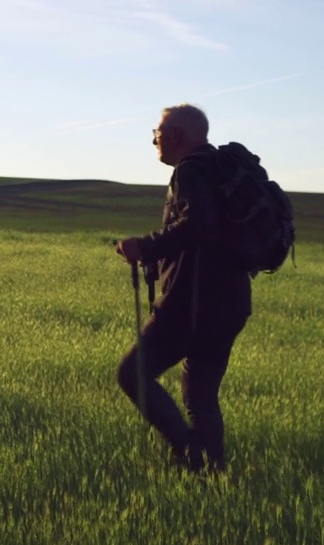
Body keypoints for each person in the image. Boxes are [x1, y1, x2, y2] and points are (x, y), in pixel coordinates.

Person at [115, 104, 251, 473]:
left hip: (191, 306)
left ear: (176, 135)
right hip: (230, 304)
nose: (154, 139)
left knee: (132, 374)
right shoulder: (220, 172)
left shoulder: (191, 171)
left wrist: (145, 246)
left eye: (157, 132)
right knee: (201, 396)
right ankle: (211, 473)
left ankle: (191, 453)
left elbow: (199, 226)